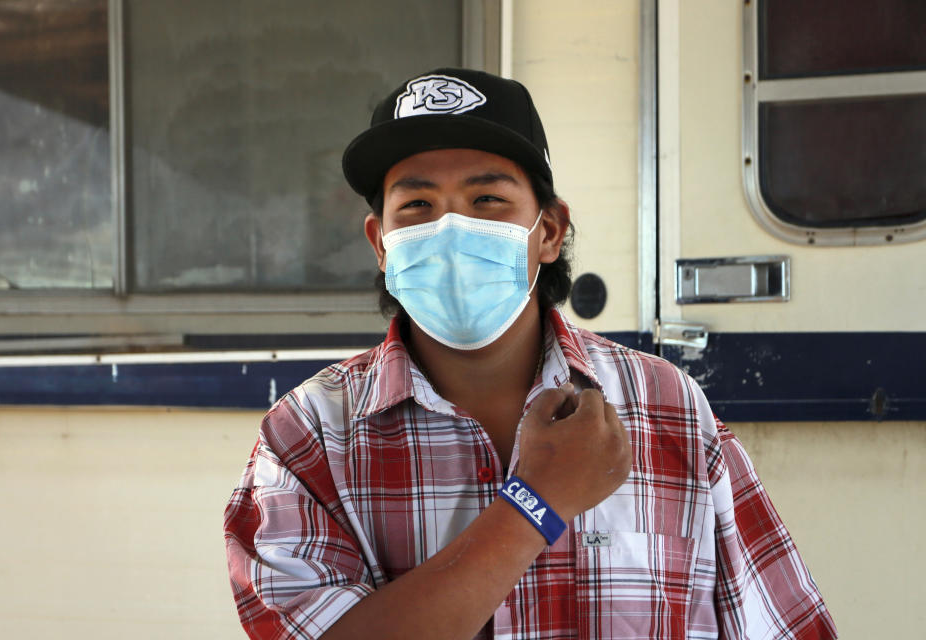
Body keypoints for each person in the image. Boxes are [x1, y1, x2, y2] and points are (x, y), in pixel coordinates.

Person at [224, 68, 837, 640]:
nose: (449, 228)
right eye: (416, 205)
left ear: (548, 232)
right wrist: (536, 507)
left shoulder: (667, 407)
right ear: (380, 242)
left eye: (487, 200)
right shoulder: (306, 439)